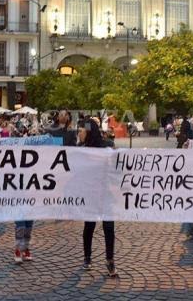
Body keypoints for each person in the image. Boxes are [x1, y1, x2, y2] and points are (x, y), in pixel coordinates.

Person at [78, 117, 118, 277]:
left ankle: (110, 260)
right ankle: (87, 257)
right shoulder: (80, 149)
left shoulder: (107, 146)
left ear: (88, 131)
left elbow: (117, 166)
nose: (79, 133)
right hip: (91, 194)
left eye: (80, 130)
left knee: (109, 228)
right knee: (89, 227)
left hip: (106, 193)